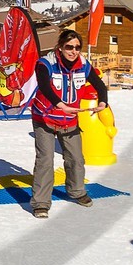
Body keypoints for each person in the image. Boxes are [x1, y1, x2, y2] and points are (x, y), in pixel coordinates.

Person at [28, 29, 106, 219]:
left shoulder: (83, 65)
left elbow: (99, 84)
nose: (73, 51)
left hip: (69, 119)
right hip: (45, 118)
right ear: (60, 47)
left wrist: (103, 102)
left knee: (76, 158)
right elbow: (44, 86)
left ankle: (77, 191)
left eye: (77, 47)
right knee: (45, 160)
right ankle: (41, 203)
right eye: (69, 47)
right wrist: (60, 105)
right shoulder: (46, 64)